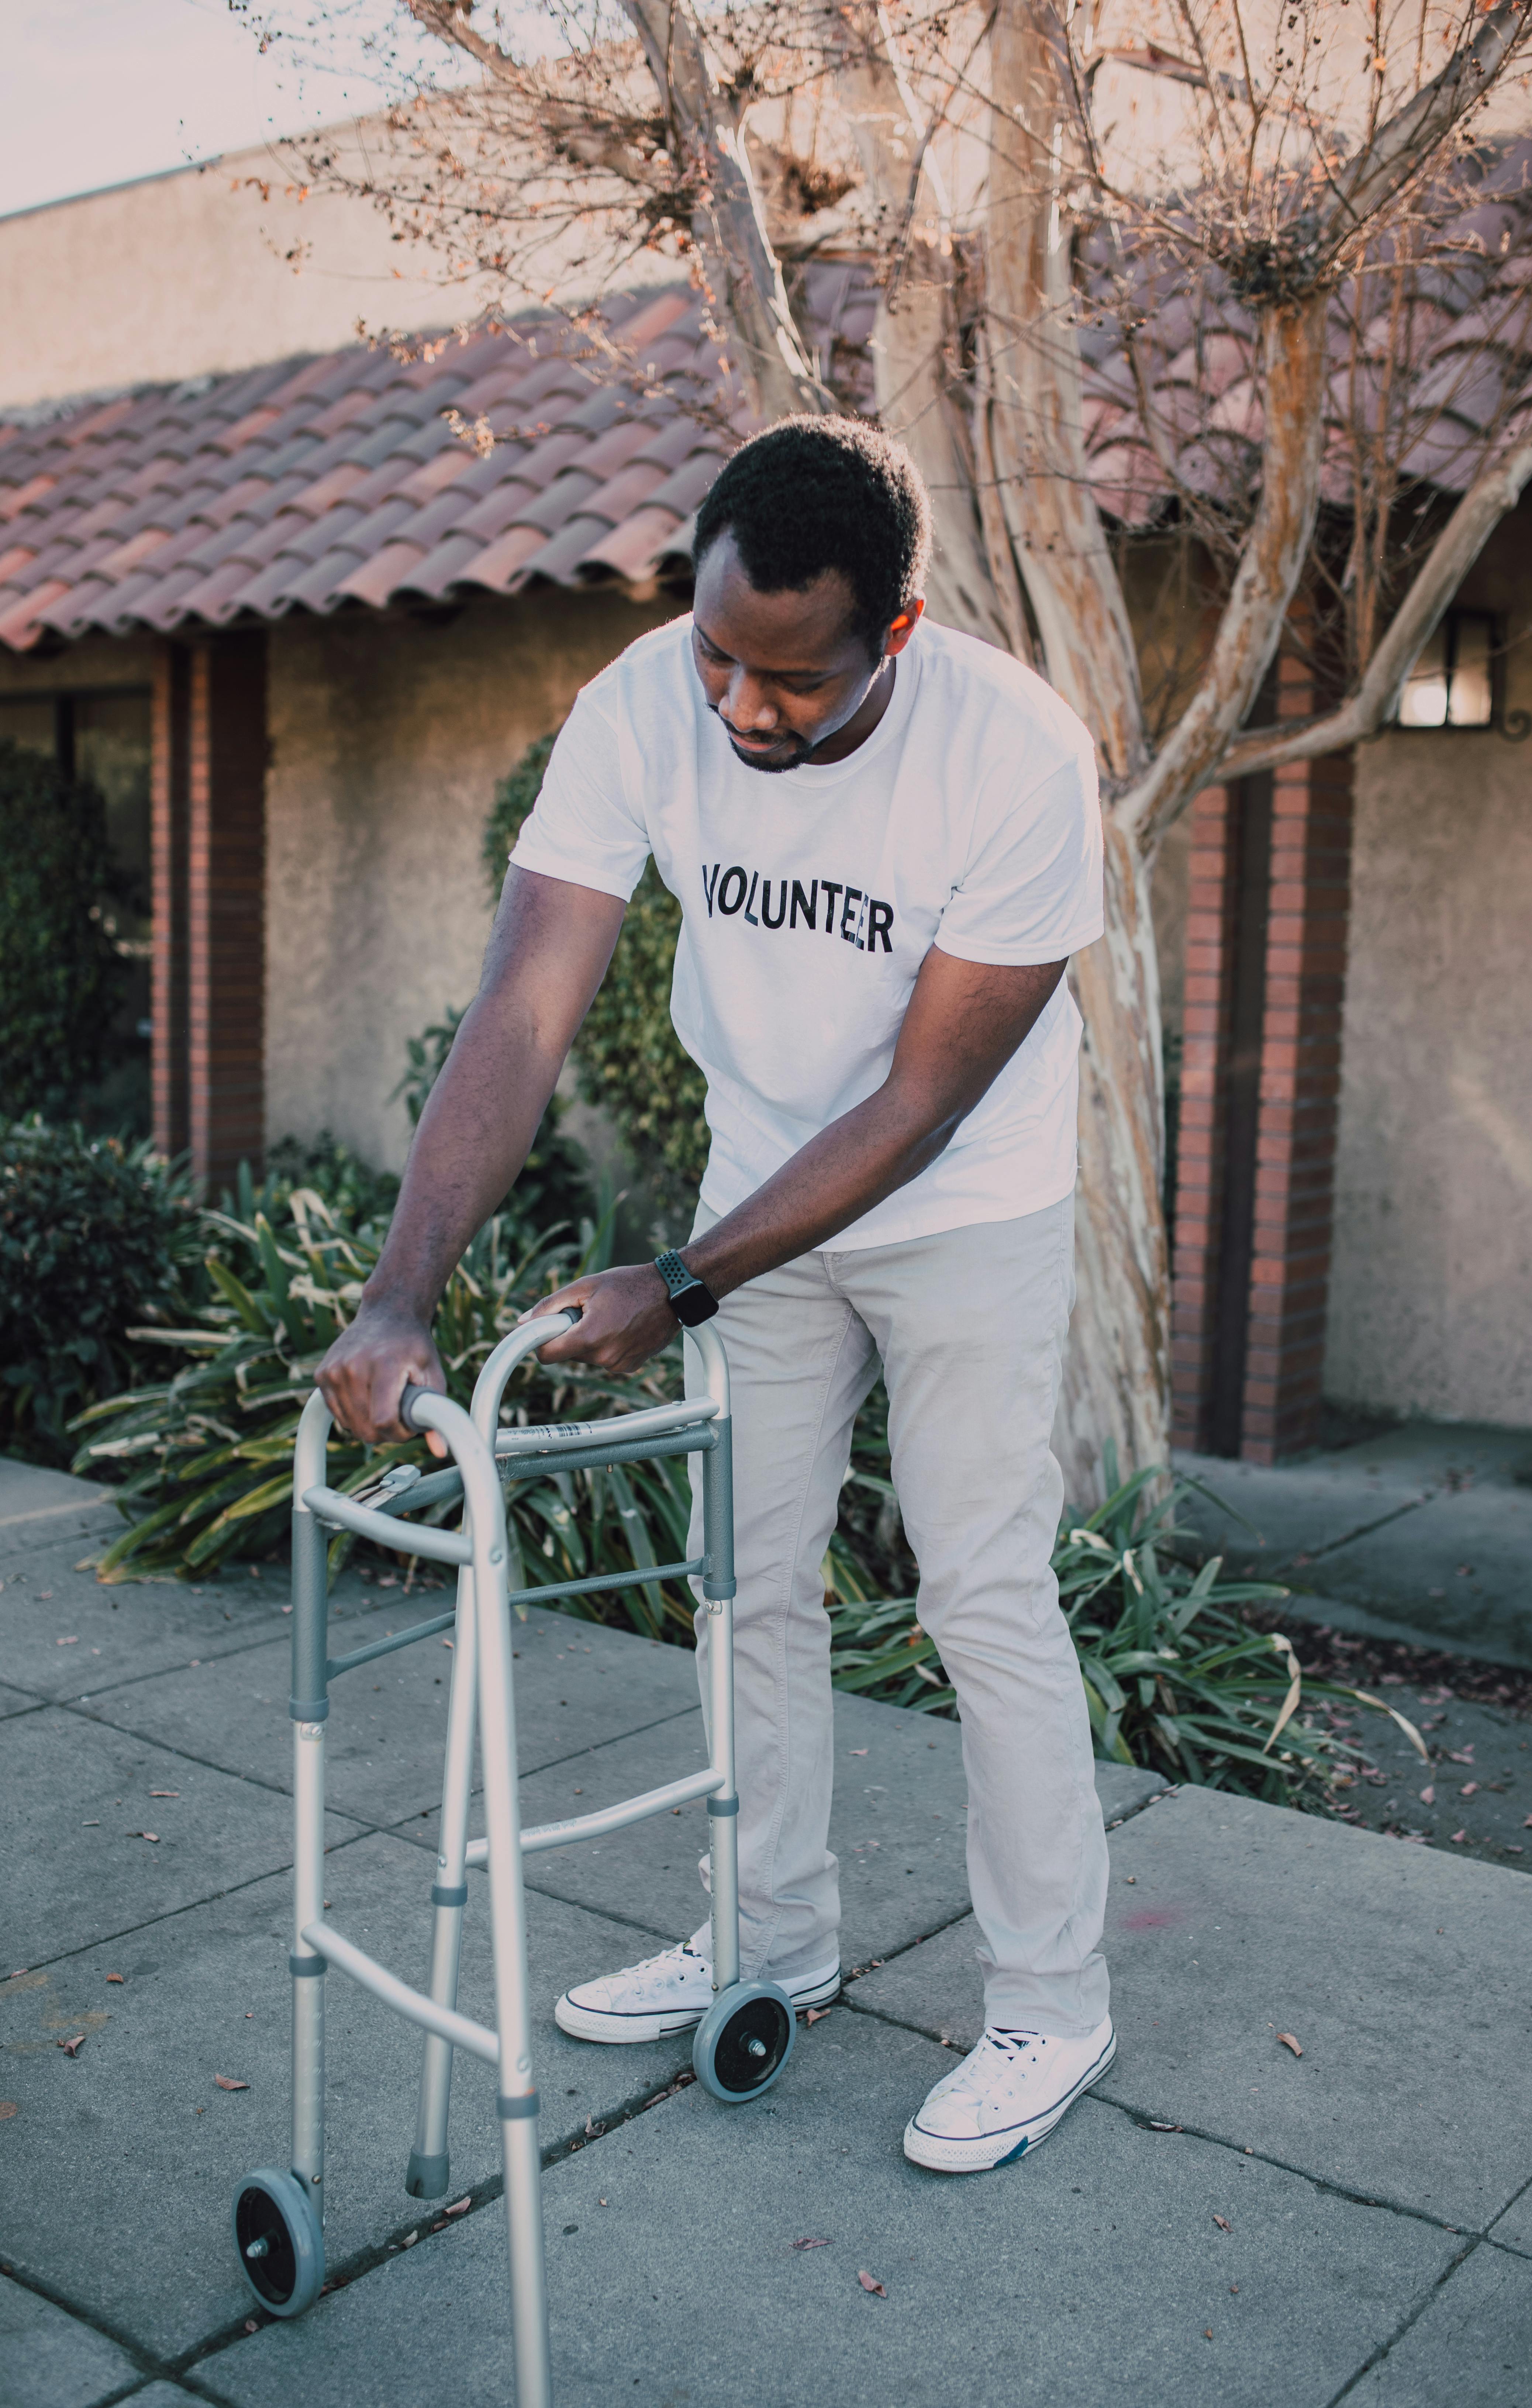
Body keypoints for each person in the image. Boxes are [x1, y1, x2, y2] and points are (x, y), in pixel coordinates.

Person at [315, 415, 1113, 2174]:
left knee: (979, 1592)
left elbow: (918, 1106)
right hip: (756, 1197)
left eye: (791, 684)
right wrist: (396, 1296)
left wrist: (678, 1280)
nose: (743, 713)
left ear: (889, 634)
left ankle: (1049, 2007)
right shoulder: (639, 705)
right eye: (717, 657)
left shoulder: (1016, 761)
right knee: (743, 1584)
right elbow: (521, 1009)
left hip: (961, 1210)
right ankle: (770, 1940)